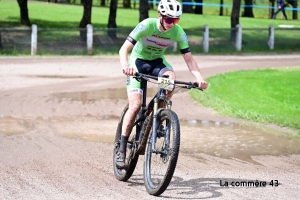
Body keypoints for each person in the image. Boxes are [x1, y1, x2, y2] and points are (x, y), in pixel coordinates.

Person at [116, 0, 208, 168]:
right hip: (137, 63)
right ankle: (121, 148)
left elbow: (189, 59)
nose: (172, 24)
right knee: (135, 105)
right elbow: (124, 49)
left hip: (157, 63)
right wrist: (126, 67)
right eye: (169, 20)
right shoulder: (146, 25)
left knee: (170, 79)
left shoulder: (178, 32)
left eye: (176, 20)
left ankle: (159, 117)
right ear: (160, 16)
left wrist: (199, 78)